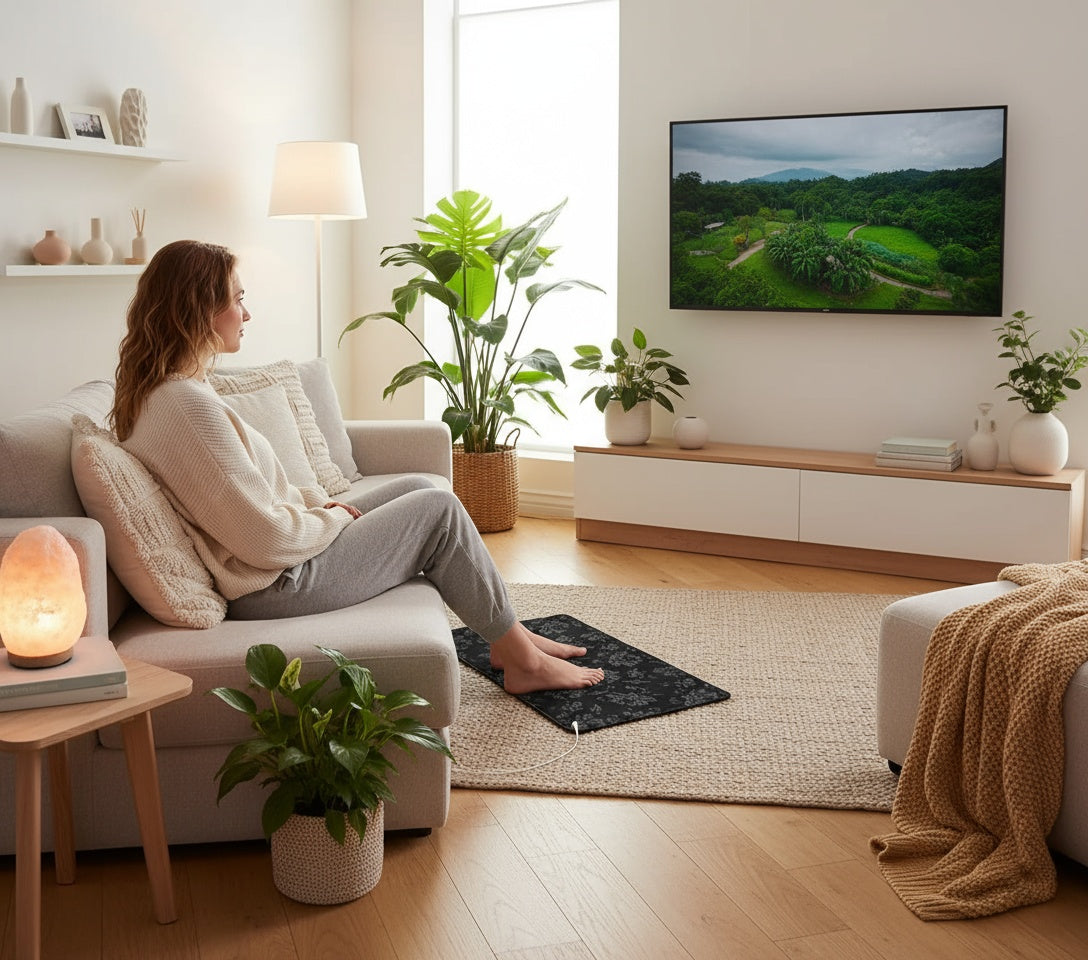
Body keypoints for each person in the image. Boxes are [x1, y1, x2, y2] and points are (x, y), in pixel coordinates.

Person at [111, 239, 604, 694]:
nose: (247, 313)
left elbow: (247, 498)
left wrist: (315, 506)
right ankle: (524, 663)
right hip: (275, 584)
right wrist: (331, 518)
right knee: (437, 510)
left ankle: (506, 637)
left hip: (275, 562)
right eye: (237, 299)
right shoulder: (184, 406)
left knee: (416, 485)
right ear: (199, 309)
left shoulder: (168, 393)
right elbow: (264, 539)